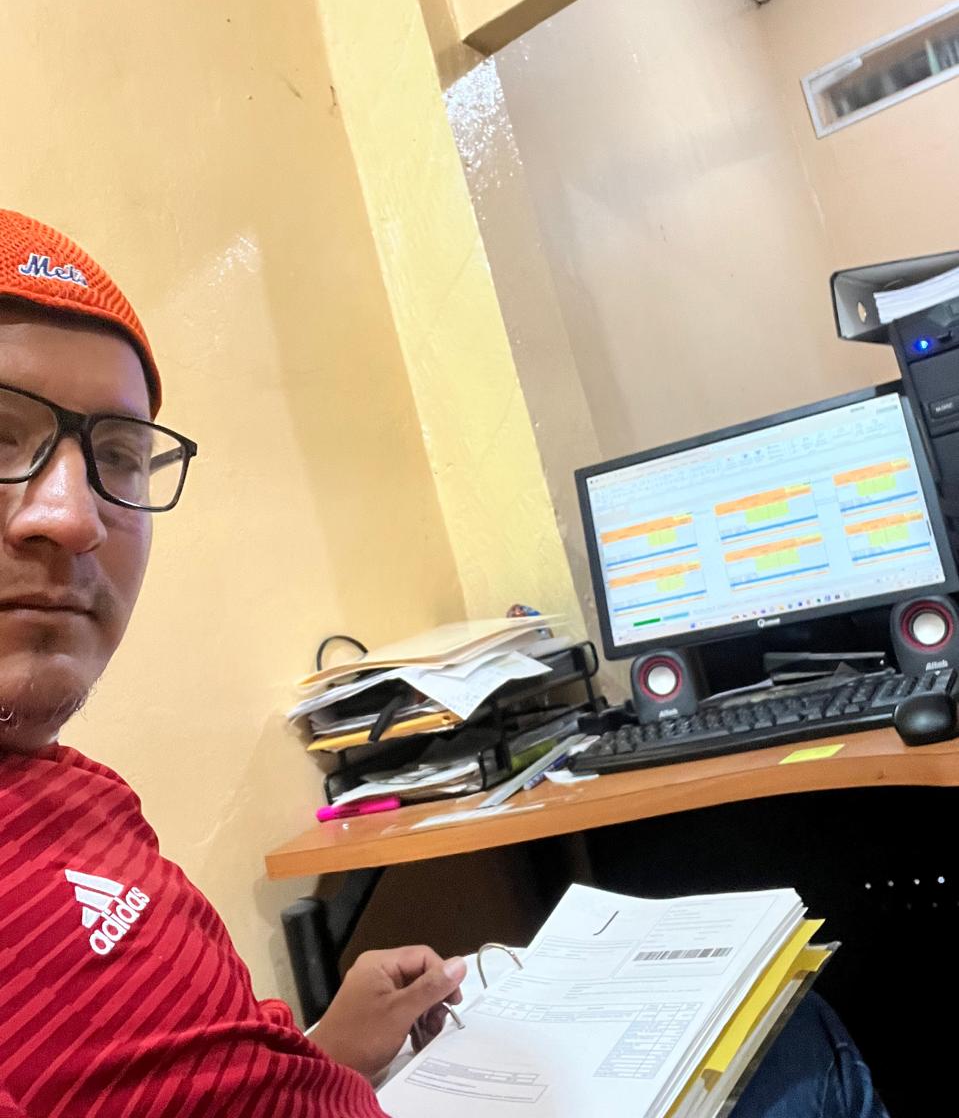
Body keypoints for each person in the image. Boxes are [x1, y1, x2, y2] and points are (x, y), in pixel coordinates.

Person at [0, 210, 888, 1117]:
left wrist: (328, 1049)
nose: (72, 517)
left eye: (117, 456)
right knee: (804, 1044)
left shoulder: (80, 793)